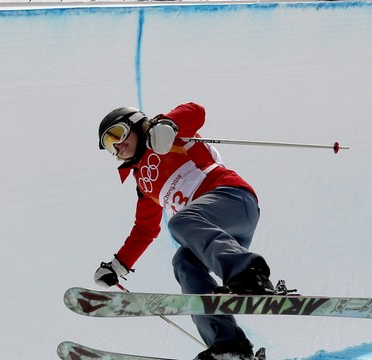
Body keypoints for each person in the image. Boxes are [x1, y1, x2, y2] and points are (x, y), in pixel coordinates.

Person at [93, 102, 274, 360]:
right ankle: (229, 345)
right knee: (184, 262)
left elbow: (196, 111)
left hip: (234, 201)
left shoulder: (167, 136)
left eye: (118, 134)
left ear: (136, 124)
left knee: (179, 222)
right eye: (111, 145)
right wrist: (118, 265)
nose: (118, 146)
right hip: (218, 237)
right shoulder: (143, 184)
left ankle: (250, 274)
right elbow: (144, 229)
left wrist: (167, 124)